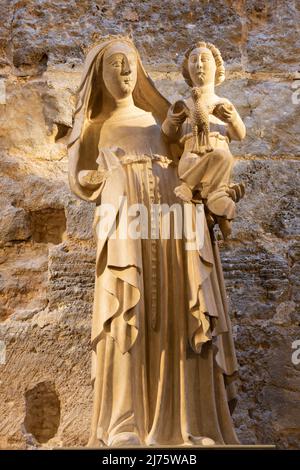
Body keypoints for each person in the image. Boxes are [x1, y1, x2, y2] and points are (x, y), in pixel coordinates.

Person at [68, 37, 240, 447]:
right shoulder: (93, 127)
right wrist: (106, 178)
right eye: (115, 67)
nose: (124, 74)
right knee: (129, 314)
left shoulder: (157, 117)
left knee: (183, 312)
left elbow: (191, 161)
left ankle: (191, 422)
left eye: (130, 66)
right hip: (128, 225)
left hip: (175, 225)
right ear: (100, 75)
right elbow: (81, 177)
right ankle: (124, 423)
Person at [162, 41, 246, 238]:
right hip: (192, 157)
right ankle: (215, 205)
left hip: (217, 164)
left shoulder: (223, 103)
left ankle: (211, 205)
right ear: (187, 70)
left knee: (222, 157)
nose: (199, 64)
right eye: (194, 60)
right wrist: (173, 120)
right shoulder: (183, 104)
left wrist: (231, 118)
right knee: (218, 159)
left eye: (205, 60)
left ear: (217, 68)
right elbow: (168, 135)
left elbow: (239, 134)